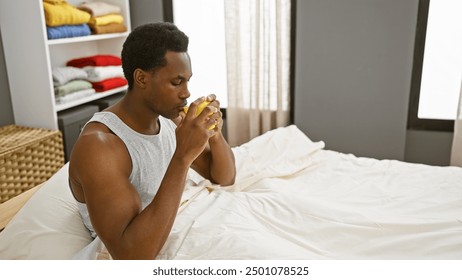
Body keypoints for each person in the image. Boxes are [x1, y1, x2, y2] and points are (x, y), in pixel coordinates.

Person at [68, 22, 236, 260]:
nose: (187, 92)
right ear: (142, 78)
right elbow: (131, 256)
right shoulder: (100, 146)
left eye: (188, 81)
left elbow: (224, 177)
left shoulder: (169, 119)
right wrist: (182, 157)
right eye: (177, 82)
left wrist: (215, 132)